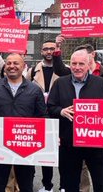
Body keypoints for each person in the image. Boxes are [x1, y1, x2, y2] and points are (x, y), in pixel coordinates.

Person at [0, 53, 47, 192]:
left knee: (26, 184)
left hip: (25, 145)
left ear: (23, 66)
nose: (12, 66)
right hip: (0, 144)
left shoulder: (34, 89)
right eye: (9, 63)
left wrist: (50, 136)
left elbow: (42, 115)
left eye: (16, 63)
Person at [48, 50, 103, 192]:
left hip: (96, 143)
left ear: (89, 65)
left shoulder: (100, 83)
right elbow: (50, 107)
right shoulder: (60, 83)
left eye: (81, 64)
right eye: (74, 63)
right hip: (68, 142)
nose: (77, 67)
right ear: (69, 65)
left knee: (101, 183)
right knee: (70, 183)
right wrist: (61, 111)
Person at [26, 40, 61, 192]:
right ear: (41, 51)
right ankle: (40, 184)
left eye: (52, 49)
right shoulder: (33, 70)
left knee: (58, 154)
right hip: (37, 116)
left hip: (57, 116)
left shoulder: (64, 69)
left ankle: (57, 186)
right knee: (37, 152)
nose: (49, 52)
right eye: (46, 49)